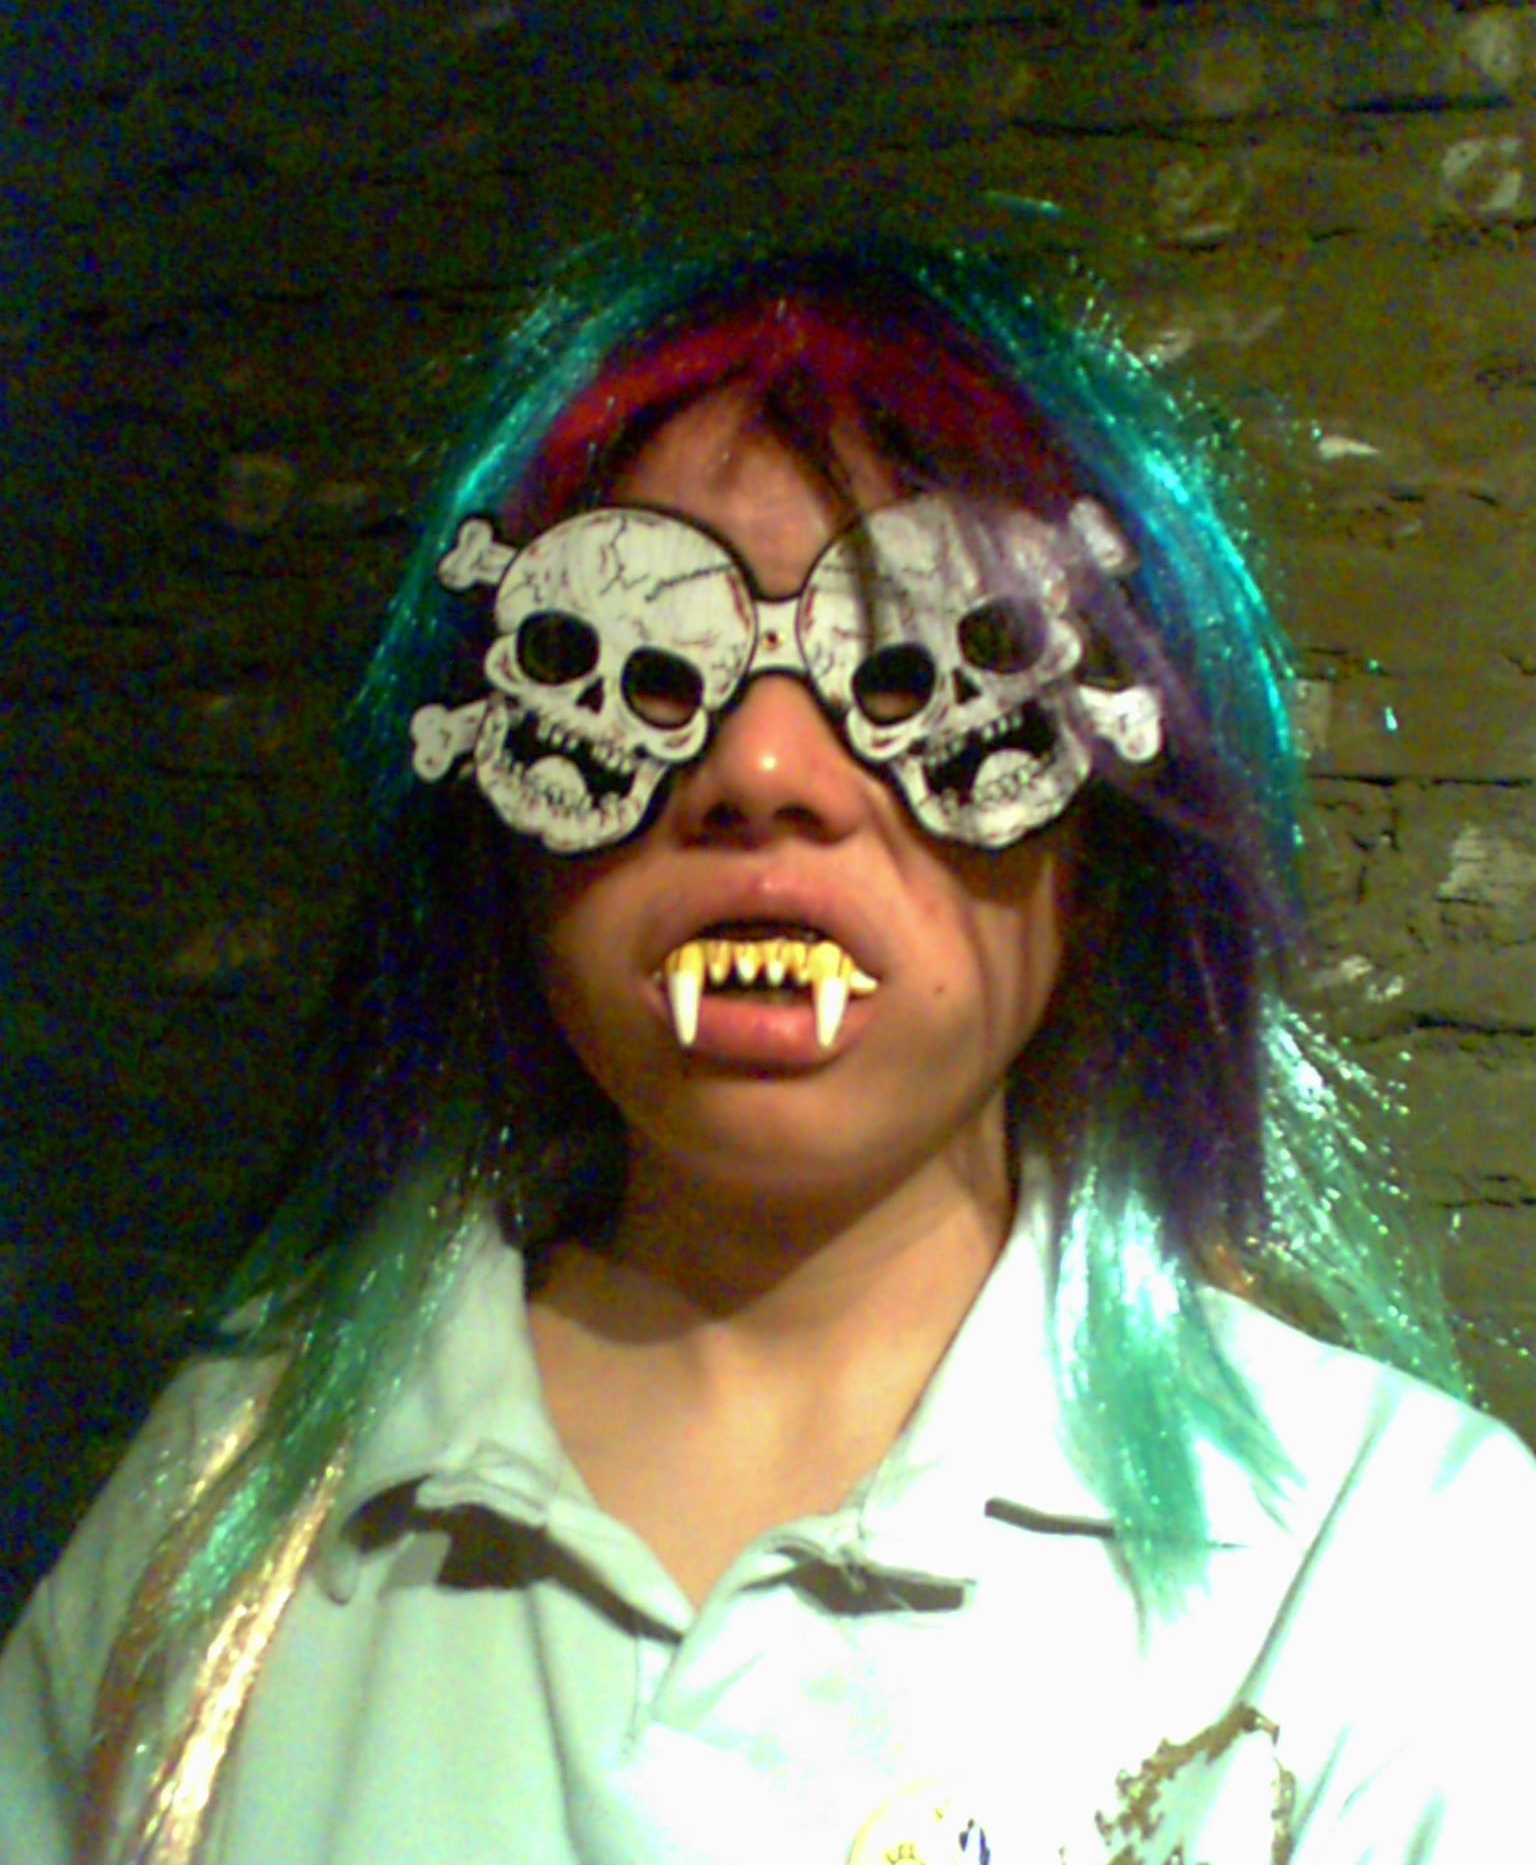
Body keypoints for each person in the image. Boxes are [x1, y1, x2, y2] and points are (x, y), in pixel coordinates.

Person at [2, 233, 1533, 1865]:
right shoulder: (231, 1507)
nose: (766, 772)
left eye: (921, 672)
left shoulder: (1391, 1575)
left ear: (1103, 837)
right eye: (642, 674)